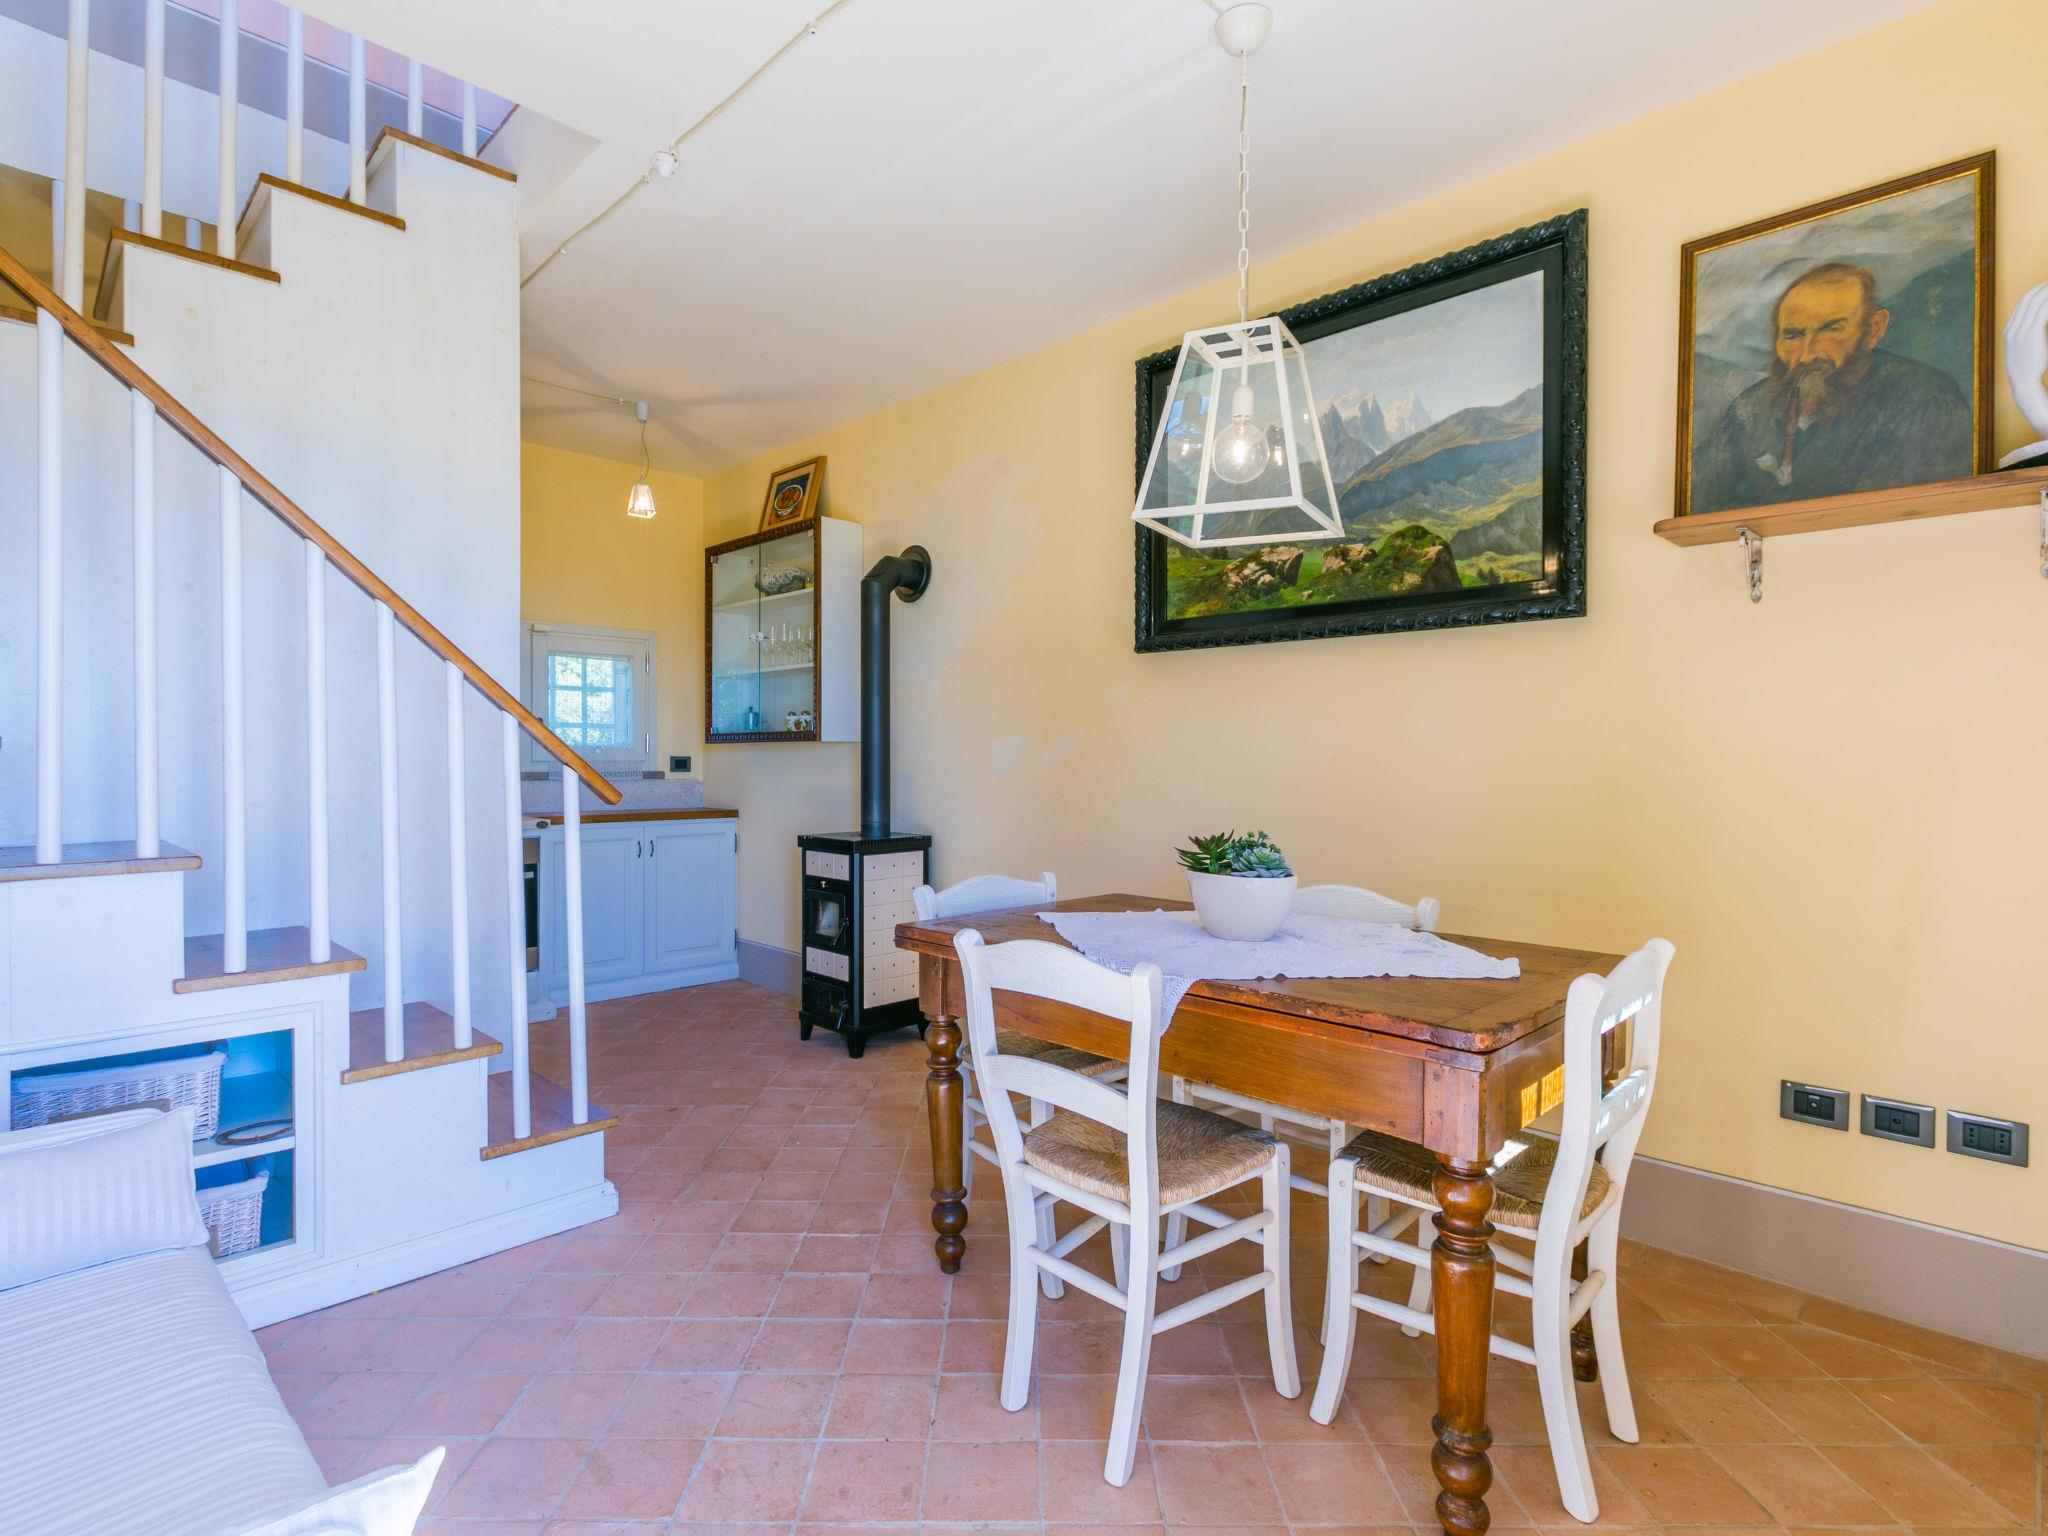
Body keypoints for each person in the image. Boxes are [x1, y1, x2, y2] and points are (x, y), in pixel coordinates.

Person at [1694, 262, 1971, 512]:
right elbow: (1697, 496)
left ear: (1874, 329)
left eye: (1831, 329)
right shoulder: (1752, 407)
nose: (1807, 355)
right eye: (1792, 335)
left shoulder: (1924, 401)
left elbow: (1884, 518)